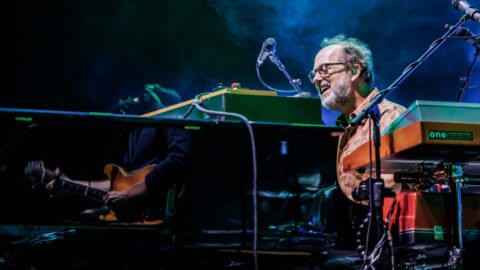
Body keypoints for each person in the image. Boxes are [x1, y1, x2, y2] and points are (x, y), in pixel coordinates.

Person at [308, 35, 406, 249]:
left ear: (354, 71)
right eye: (314, 73)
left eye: (324, 69)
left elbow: (405, 182)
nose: (316, 79)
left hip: (387, 246)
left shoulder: (391, 117)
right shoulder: (344, 128)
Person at [44, 83, 191, 223]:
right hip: (130, 221)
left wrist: (130, 193)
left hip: (157, 219)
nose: (149, 89)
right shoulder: (131, 132)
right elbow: (118, 184)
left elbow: (178, 160)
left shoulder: (172, 119)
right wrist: (67, 183)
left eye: (156, 89)